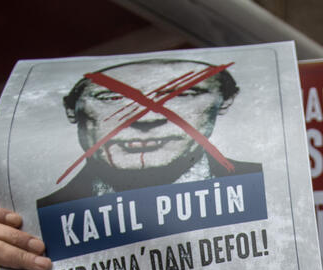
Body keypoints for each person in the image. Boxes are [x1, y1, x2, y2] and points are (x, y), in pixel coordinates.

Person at [36, 58, 261, 208]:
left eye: (182, 94)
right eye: (112, 98)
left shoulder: (274, 192)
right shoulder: (35, 222)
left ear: (225, 102)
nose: (146, 118)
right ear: (71, 110)